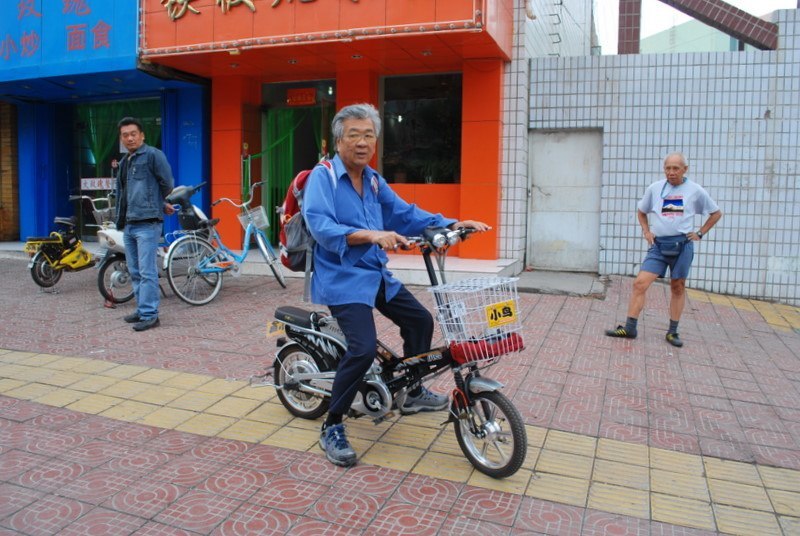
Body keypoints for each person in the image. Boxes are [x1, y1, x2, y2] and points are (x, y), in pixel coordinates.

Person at [302, 103, 490, 467]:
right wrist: (371, 235)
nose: (362, 142)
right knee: (362, 348)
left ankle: (413, 391)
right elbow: (320, 227)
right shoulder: (322, 177)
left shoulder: (373, 179)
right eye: (353, 135)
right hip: (342, 278)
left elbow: (405, 214)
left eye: (369, 135)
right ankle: (332, 424)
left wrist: (452, 223)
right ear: (339, 140)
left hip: (376, 275)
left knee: (420, 321)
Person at [606, 152, 721, 347]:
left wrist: (700, 233)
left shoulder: (695, 190)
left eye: (676, 168)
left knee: (678, 287)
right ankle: (630, 327)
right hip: (658, 247)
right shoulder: (655, 188)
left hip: (682, 247)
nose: (671, 172)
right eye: (668, 168)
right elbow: (642, 211)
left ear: (685, 169)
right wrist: (646, 231)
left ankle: (672, 331)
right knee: (640, 284)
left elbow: (716, 213)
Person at [114, 117, 175, 332]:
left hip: (147, 223)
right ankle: (142, 309)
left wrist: (160, 202)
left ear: (142, 135)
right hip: (129, 223)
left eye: (133, 134)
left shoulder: (153, 155)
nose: (129, 138)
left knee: (147, 271)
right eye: (125, 135)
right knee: (135, 270)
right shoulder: (124, 162)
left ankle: (150, 315)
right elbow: (122, 192)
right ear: (121, 138)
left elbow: (167, 183)